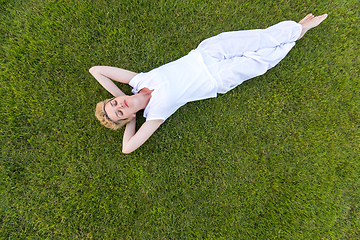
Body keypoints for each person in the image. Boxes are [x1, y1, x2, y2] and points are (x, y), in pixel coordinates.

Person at [89, 13, 328, 153]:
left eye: (114, 103)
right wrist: (130, 120)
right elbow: (127, 147)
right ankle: (297, 32)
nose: (120, 103)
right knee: (264, 58)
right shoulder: (155, 114)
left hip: (206, 53)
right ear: (128, 118)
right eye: (120, 112)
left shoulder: (138, 79)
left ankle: (296, 28)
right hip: (218, 78)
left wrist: (120, 96)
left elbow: (96, 70)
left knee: (257, 38)